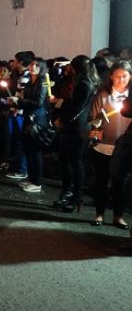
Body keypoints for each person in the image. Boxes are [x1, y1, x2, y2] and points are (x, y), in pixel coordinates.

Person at [89, 61, 132, 228]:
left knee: (120, 182)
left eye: (125, 76)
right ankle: (99, 213)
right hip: (103, 146)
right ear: (111, 77)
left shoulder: (130, 99)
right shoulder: (103, 95)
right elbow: (93, 119)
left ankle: (118, 215)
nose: (121, 80)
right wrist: (97, 124)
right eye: (117, 76)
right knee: (101, 180)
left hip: (124, 147)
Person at [53, 55, 98, 212]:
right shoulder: (88, 83)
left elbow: (76, 108)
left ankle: (74, 196)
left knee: (73, 162)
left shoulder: (83, 85)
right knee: (73, 162)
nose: (69, 69)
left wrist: (61, 106)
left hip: (75, 128)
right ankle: (71, 195)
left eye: (71, 66)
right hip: (79, 127)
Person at [9, 58, 49, 193]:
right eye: (32, 64)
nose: (33, 67)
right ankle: (31, 178)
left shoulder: (42, 83)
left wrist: (20, 101)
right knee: (28, 149)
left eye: (37, 65)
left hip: (37, 120)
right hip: (28, 117)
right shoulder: (30, 83)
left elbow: (38, 102)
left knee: (35, 150)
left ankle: (37, 181)